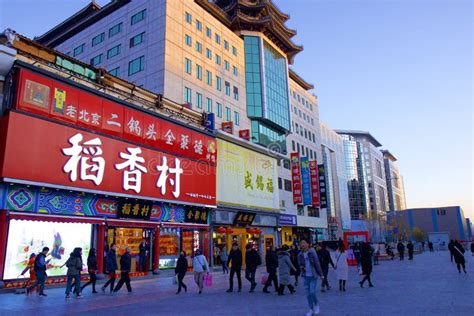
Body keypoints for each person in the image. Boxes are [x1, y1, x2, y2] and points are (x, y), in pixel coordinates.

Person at [298, 240, 324, 316]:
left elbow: (317, 263)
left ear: (308, 244)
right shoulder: (300, 254)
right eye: (301, 243)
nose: (302, 244)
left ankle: (316, 305)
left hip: (313, 275)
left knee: (312, 292)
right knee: (308, 294)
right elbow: (299, 264)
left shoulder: (312, 252)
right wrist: (302, 267)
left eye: (304, 243)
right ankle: (311, 309)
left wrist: (321, 274)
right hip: (306, 276)